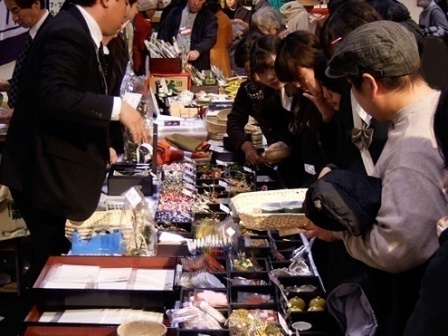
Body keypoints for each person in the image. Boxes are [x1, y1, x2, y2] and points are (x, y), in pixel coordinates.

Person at [306, 21, 448, 335]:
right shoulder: (433, 105)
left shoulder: (412, 147)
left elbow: (398, 246)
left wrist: (339, 235)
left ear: (370, 84)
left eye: (353, 88)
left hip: (418, 295)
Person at [0, 0, 149, 286]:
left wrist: (101, 141)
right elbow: (55, 95)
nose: (125, 18)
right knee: (50, 269)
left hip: (54, 172)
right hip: (44, 176)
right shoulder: (68, 32)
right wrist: (118, 109)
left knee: (52, 265)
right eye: (125, 6)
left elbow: (78, 97)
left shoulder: (79, 30)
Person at [3, 0, 51, 113]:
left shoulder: (55, 36)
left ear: (36, 5)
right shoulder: (34, 35)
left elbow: (52, 91)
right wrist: (9, 85)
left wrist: (21, 113)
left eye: (16, 11)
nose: (14, 19)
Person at [158, 0, 218, 71]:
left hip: (197, 64)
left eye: (200, 0)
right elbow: (163, 36)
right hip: (174, 62)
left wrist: (198, 50)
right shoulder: (175, 13)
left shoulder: (209, 17)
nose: (196, 3)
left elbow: (210, 37)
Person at [208, 0, 233, 78]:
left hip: (206, 58)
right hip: (222, 57)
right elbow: (229, 40)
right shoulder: (225, 18)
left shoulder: (204, 19)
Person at [133, 0, 157, 75]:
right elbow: (143, 45)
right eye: (151, 10)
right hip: (138, 59)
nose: (153, 13)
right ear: (146, 10)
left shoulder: (134, 18)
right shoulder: (145, 24)